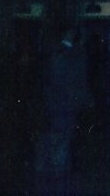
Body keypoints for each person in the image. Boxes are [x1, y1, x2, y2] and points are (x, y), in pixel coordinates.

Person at [34, 25, 91, 194]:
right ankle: (59, 187)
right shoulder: (76, 55)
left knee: (47, 149)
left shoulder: (48, 52)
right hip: (65, 108)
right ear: (71, 33)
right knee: (61, 149)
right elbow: (79, 85)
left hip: (49, 107)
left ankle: (47, 186)